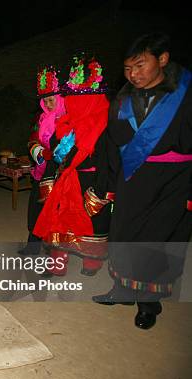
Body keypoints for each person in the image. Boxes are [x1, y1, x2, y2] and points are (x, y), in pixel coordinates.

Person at [92, 32, 192, 330]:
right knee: (124, 235)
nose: (133, 74)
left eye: (139, 65)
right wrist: (107, 185)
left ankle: (149, 302)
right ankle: (123, 289)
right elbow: (111, 144)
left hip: (173, 182)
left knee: (157, 242)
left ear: (162, 59)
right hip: (132, 179)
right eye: (127, 69)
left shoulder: (186, 93)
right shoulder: (122, 100)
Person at [33, 55, 114, 276]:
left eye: (78, 99)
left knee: (92, 221)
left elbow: (110, 161)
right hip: (69, 178)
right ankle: (57, 263)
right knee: (59, 220)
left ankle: (92, 262)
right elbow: (57, 152)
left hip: (93, 179)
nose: (72, 103)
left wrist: (101, 190)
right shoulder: (66, 123)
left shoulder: (105, 126)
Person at [19, 65, 64, 256]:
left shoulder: (67, 117)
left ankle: (53, 255)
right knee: (35, 209)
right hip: (41, 171)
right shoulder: (41, 118)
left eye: (51, 97)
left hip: (59, 173)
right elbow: (32, 139)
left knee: (54, 214)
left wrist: (54, 153)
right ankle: (32, 246)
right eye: (45, 98)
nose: (48, 101)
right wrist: (39, 151)